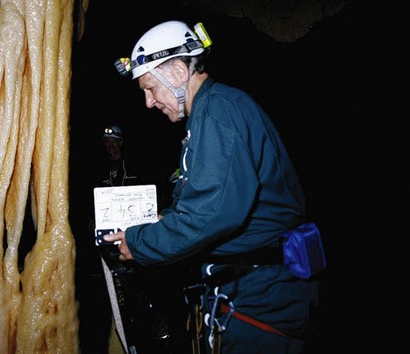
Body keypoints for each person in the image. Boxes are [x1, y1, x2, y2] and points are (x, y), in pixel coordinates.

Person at [105, 20, 321, 354]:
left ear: (177, 72)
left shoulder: (220, 112)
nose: (148, 102)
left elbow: (212, 213)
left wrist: (140, 243)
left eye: (150, 88)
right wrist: (160, 222)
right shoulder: (206, 118)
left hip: (260, 302)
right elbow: (196, 205)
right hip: (239, 294)